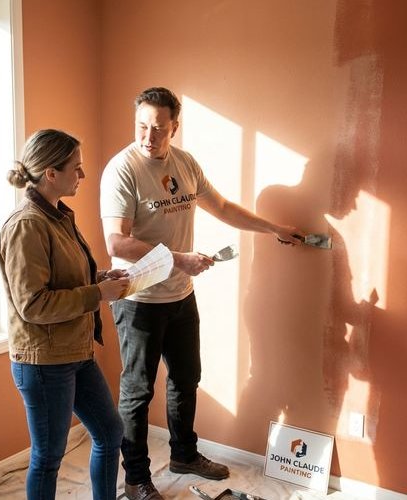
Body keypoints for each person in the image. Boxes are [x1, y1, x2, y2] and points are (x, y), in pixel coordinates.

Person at [100, 87, 302, 500]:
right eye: (141, 126)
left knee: (187, 378)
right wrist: (180, 258)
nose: (148, 137)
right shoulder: (122, 170)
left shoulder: (185, 163)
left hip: (180, 297)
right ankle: (137, 479)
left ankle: (184, 455)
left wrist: (274, 229)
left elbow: (224, 207)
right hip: (140, 301)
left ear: (175, 126)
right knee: (138, 391)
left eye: (159, 128)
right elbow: (116, 243)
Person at [0, 129, 130, 500]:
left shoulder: (57, 218)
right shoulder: (27, 226)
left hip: (75, 352)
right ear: (51, 174)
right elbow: (34, 304)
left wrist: (103, 278)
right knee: (49, 457)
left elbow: (65, 278)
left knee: (109, 432)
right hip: (43, 362)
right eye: (77, 168)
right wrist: (96, 294)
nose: (82, 176)